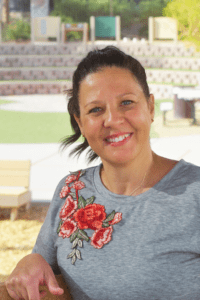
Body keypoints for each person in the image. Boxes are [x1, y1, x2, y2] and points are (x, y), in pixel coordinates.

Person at [5, 46, 200, 300]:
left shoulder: (195, 192)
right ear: (80, 123)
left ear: (150, 108)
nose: (113, 119)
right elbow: (41, 267)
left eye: (127, 103)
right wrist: (29, 261)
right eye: (96, 109)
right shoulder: (71, 191)